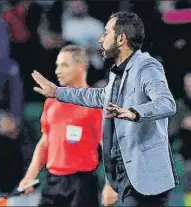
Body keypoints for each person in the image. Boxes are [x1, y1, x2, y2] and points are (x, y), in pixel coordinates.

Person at [31, 12, 179, 206]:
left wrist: (134, 112)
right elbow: (98, 96)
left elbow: (167, 103)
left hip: (145, 175)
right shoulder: (118, 72)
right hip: (126, 175)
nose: (100, 39)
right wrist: (57, 92)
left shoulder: (146, 66)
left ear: (121, 39)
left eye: (106, 33)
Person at [18, 45, 103, 206]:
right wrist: (30, 176)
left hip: (82, 183)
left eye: (64, 65)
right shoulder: (51, 101)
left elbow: (106, 144)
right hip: (52, 182)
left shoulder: (94, 102)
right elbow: (45, 141)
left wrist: (111, 185)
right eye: (57, 65)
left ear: (81, 67)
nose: (58, 71)